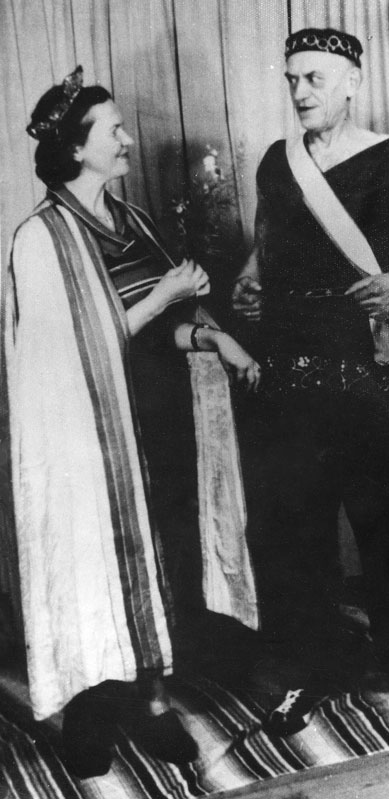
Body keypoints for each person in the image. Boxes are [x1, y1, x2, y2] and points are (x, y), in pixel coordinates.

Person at [6, 66, 260, 778]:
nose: (127, 140)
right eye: (113, 131)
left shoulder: (135, 222)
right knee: (94, 564)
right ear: (76, 149)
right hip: (89, 444)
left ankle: (152, 702)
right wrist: (167, 292)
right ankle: (90, 711)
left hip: (156, 422)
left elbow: (160, 331)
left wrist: (210, 335)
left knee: (161, 560)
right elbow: (71, 350)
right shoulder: (40, 239)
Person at [232, 28, 389, 734]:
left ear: (352, 82)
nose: (300, 92)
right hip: (295, 359)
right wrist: (248, 279)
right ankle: (310, 669)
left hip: (371, 360)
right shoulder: (279, 162)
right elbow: (264, 243)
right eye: (293, 79)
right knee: (298, 522)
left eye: (315, 79)